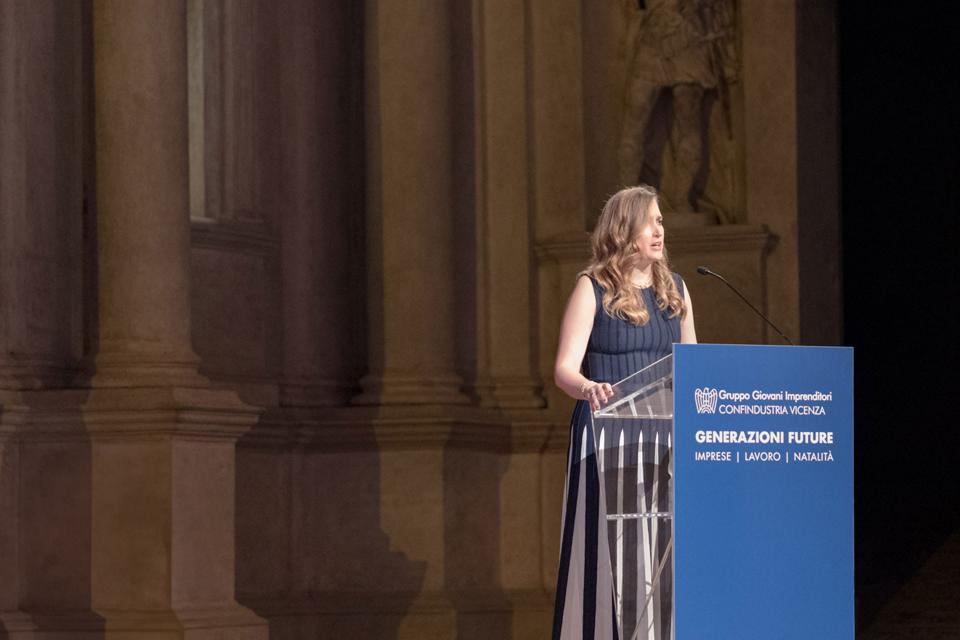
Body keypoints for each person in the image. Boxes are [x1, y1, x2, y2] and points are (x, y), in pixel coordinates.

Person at [551, 184, 696, 639]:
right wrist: (588, 387)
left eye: (661, 222)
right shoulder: (592, 288)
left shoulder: (676, 291)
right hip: (607, 437)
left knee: (660, 554)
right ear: (623, 230)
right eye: (650, 222)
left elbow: (693, 367)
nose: (660, 231)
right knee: (608, 554)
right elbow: (564, 370)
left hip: (662, 440)